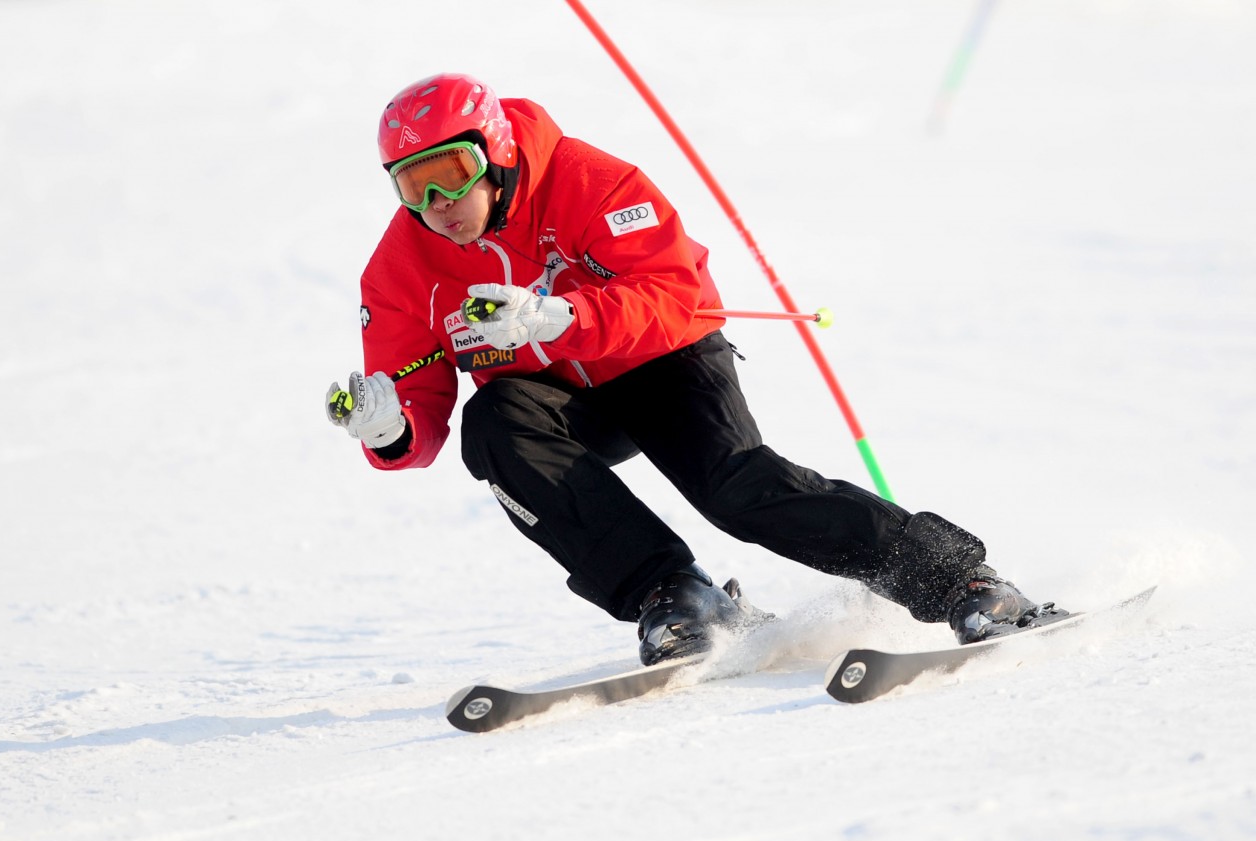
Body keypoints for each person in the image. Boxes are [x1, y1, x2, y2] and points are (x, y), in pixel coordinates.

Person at [326, 72, 1066, 666]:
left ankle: (965, 583)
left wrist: (567, 318)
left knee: (737, 490)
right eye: (411, 186)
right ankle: (674, 595)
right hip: (558, 401)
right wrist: (393, 427)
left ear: (496, 152)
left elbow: (674, 293)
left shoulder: (588, 181)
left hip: (661, 361)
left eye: (452, 173)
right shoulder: (400, 269)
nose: (438, 204)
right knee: (491, 424)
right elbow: (413, 394)